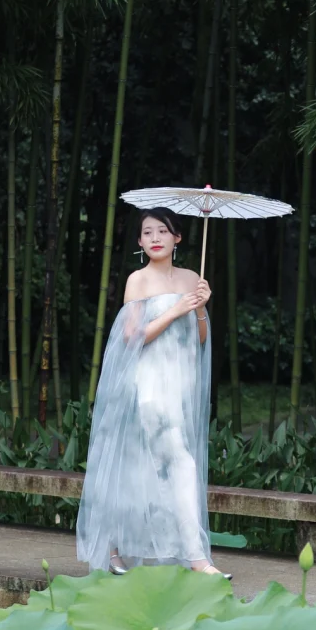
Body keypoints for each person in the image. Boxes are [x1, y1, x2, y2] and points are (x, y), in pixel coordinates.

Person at [76, 206, 228, 576]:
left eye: (163, 231)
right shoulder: (138, 280)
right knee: (180, 462)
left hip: (179, 384)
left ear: (178, 237)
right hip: (146, 384)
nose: (155, 238)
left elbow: (200, 339)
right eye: (147, 232)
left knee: (141, 466)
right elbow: (133, 337)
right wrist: (175, 310)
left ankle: (115, 547)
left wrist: (201, 308)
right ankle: (196, 557)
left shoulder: (192, 278)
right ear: (140, 241)